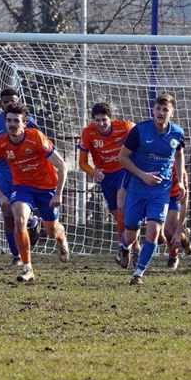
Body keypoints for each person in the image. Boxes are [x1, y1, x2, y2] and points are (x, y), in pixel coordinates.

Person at [0, 103, 69, 282]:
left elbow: (61, 165)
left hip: (47, 187)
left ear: (24, 123)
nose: (12, 124)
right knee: (19, 218)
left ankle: (61, 237)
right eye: (8, 121)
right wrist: (0, 195)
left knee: (52, 231)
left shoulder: (36, 137)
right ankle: (27, 268)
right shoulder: (0, 143)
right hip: (22, 187)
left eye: (16, 121)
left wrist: (58, 193)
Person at [118, 94, 185, 286]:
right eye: (158, 109)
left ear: (172, 113)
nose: (161, 113)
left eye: (165, 110)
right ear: (153, 110)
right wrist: (142, 175)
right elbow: (122, 158)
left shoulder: (177, 133)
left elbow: (179, 154)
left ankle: (138, 273)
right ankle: (124, 246)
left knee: (154, 232)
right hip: (138, 188)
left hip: (160, 190)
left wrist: (180, 181)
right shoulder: (139, 131)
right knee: (131, 235)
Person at [0, 88, 41, 264]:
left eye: (13, 101)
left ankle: (32, 222)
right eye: (6, 101)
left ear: (19, 100)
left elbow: (41, 144)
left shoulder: (28, 122)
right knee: (7, 213)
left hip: (24, 172)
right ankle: (16, 256)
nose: (9, 104)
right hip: (3, 173)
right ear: (1, 103)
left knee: (20, 214)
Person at [78, 102, 135, 267]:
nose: (101, 124)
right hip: (105, 177)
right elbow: (82, 162)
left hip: (124, 171)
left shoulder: (125, 126)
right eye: (97, 120)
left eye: (104, 119)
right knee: (118, 214)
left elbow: (141, 138)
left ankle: (128, 249)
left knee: (123, 207)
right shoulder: (88, 133)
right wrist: (93, 172)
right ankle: (128, 245)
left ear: (111, 118)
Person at [158, 164, 191, 270]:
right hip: (156, 196)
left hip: (173, 198)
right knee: (160, 238)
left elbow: (184, 204)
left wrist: (178, 231)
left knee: (170, 231)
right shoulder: (150, 163)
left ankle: (173, 257)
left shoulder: (179, 172)